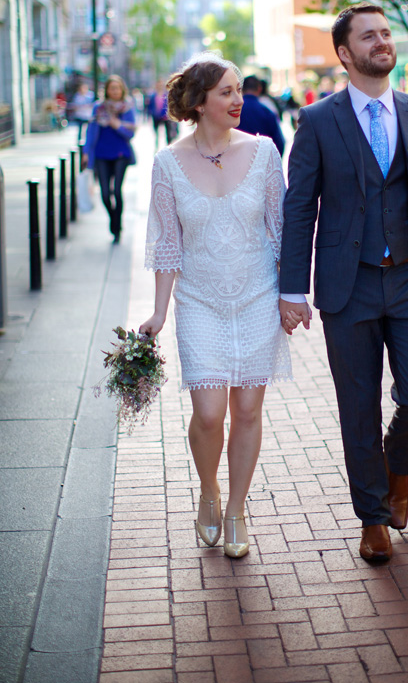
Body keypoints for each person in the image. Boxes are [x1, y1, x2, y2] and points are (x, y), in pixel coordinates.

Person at [279, 3, 408, 563]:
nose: (383, 42)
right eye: (370, 36)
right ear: (345, 53)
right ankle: (372, 518)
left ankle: (397, 466)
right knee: (356, 405)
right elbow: (298, 209)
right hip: (347, 285)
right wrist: (293, 290)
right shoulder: (317, 121)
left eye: (386, 33)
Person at [139, 54, 291, 559]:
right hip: (199, 300)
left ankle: (236, 510)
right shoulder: (167, 163)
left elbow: (282, 230)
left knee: (247, 408)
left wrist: (292, 295)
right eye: (227, 91)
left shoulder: (265, 153)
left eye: (240, 90)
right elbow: (166, 245)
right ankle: (209, 491)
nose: (239, 100)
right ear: (200, 102)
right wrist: (159, 313)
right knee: (208, 412)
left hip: (257, 297)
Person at [83, 75, 136, 243]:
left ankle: (116, 226)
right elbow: (91, 131)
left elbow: (131, 132)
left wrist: (116, 124)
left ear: (122, 90)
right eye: (111, 88)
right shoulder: (98, 108)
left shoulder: (127, 108)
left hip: (121, 154)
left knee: (117, 190)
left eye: (117, 88)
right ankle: (114, 218)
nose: (114, 91)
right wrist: (86, 152)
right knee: (105, 193)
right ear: (106, 90)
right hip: (101, 154)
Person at [238, 75, 285, 155]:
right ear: (259, 89)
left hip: (237, 157)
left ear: (241, 89)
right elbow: (279, 142)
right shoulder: (267, 112)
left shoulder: (234, 111)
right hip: (261, 157)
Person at [147, 79, 178, 148]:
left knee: (168, 133)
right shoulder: (153, 95)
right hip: (156, 117)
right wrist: (150, 115)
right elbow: (150, 106)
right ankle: (157, 145)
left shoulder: (167, 94)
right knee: (156, 133)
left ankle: (169, 145)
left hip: (166, 117)